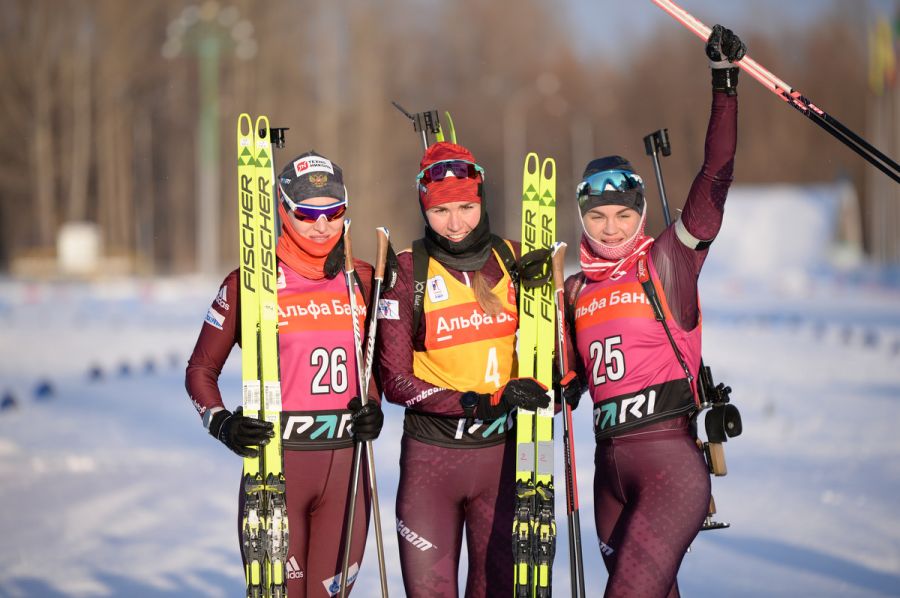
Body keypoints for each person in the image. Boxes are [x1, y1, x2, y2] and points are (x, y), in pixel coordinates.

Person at [564, 25, 746, 598]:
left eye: (622, 214)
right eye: (598, 216)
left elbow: (714, 177)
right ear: (582, 219)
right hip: (607, 474)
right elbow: (565, 380)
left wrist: (724, 87)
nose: (610, 227)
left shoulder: (668, 260)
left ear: (640, 214)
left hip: (670, 465)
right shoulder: (572, 290)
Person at [185, 151, 384, 597]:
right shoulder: (249, 283)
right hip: (276, 468)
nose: (322, 226)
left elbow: (379, 364)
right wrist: (222, 422)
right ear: (282, 210)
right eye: (308, 214)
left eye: (334, 213)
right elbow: (200, 370)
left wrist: (374, 404)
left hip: (347, 471)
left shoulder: (364, 278)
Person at [375, 141, 550, 597]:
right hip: (431, 462)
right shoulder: (408, 273)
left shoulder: (514, 261)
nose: (455, 223)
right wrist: (479, 400)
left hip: (504, 460)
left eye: (466, 207)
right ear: (423, 208)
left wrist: (548, 305)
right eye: (441, 211)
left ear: (482, 199)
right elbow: (394, 381)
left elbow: (558, 367)